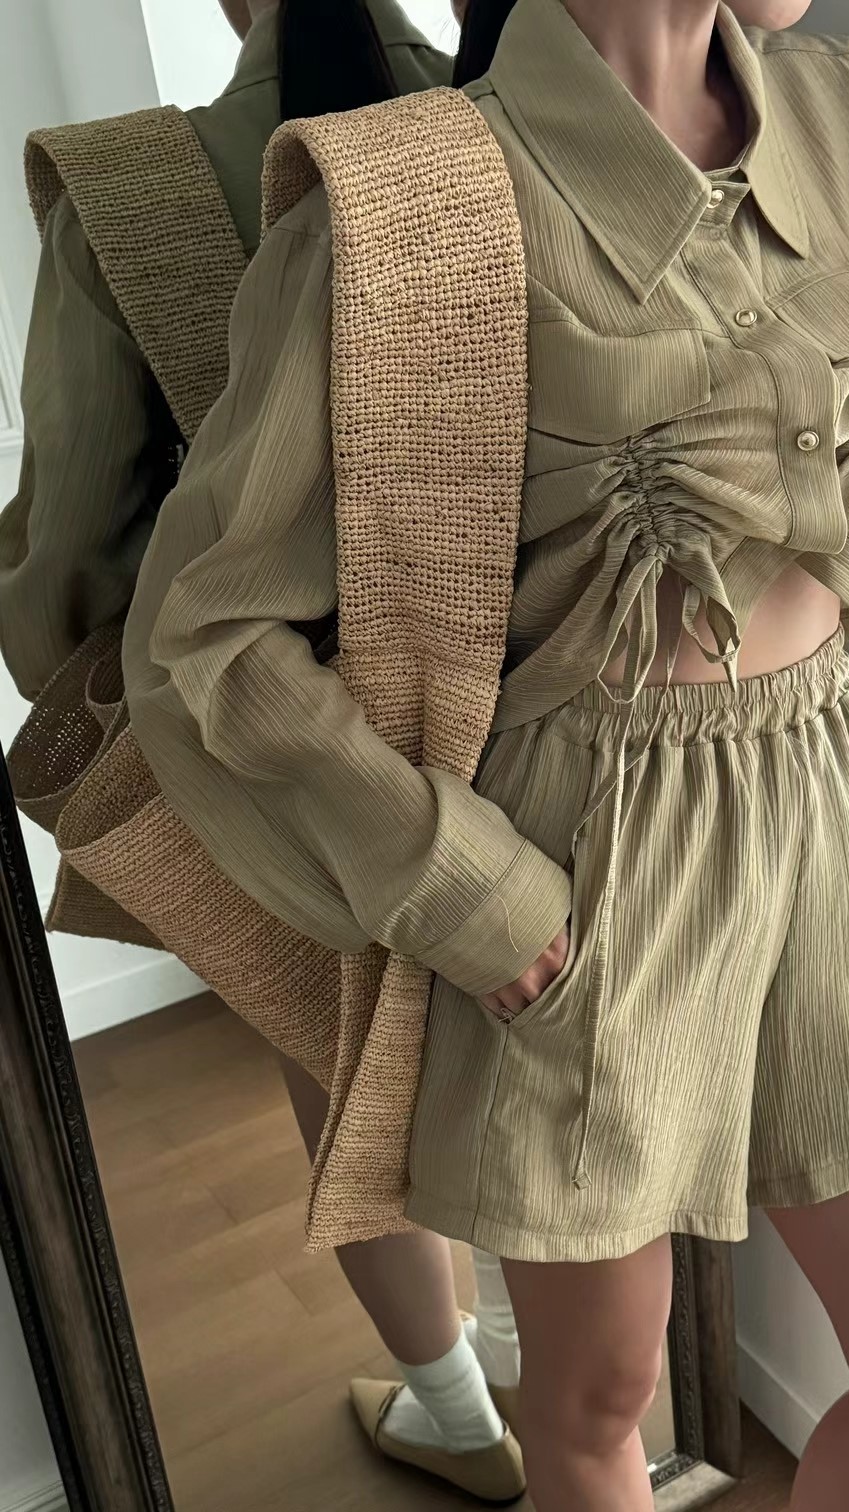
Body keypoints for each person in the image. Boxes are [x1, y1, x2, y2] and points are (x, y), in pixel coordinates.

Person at [119, 0, 849, 1505]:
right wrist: (467, 890)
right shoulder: (416, 205)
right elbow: (210, 635)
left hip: (826, 802)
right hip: (583, 848)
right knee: (596, 1397)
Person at [0, 2, 530, 1503]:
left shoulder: (133, 190)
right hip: (532, 714)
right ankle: (533, 1363)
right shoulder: (533, 105)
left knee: (339, 1065)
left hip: (284, 744)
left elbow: (69, 571)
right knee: (525, 1054)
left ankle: (458, 1417)